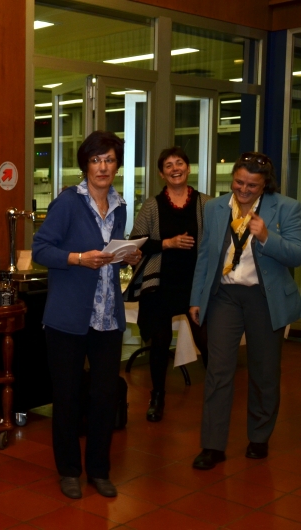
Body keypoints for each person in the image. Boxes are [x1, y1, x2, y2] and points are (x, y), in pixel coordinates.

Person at [32, 131, 141, 500]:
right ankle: (69, 471)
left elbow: (111, 255)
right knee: (67, 397)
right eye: (96, 160)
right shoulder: (68, 202)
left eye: (109, 160)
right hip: (68, 317)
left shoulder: (120, 205)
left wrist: (128, 255)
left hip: (108, 317)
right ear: (86, 165)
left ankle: (99, 470)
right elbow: (40, 249)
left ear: (117, 165)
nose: (102, 167)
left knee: (104, 397)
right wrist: (78, 258)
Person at [189, 152, 301, 470]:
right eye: (239, 182)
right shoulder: (215, 207)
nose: (243, 189)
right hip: (224, 296)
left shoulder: (287, 207)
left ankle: (259, 437)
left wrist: (266, 236)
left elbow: (296, 254)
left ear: (265, 185)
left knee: (264, 372)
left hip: (264, 298)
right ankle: (212, 445)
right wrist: (197, 298)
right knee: (218, 370)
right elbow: (205, 255)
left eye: (252, 185)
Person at [124, 147, 210, 422]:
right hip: (160, 282)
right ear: (162, 173)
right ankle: (157, 396)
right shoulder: (152, 205)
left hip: (195, 283)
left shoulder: (206, 203)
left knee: (207, 340)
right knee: (160, 342)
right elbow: (136, 242)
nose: (175, 169)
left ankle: (216, 394)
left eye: (179, 163)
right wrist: (167, 243)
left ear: (188, 167)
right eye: (168, 165)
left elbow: (216, 242)